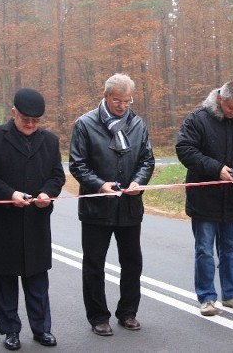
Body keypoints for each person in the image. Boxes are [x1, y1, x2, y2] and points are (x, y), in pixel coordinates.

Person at [0, 88, 65, 350]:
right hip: (4, 221)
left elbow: (57, 175)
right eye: (25, 118)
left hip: (36, 220)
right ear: (13, 112)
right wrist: (10, 193)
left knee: (37, 278)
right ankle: (10, 330)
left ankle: (42, 328)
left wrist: (48, 192)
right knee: (4, 279)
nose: (30, 124)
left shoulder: (49, 140)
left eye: (36, 120)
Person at [69, 73, 154, 336]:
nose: (123, 106)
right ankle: (98, 316)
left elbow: (147, 160)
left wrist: (138, 181)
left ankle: (128, 312)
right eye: (118, 101)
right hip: (97, 207)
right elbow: (77, 164)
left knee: (132, 262)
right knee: (94, 264)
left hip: (129, 207)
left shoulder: (137, 124)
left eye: (127, 101)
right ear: (106, 96)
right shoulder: (85, 124)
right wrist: (99, 184)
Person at [176, 81, 233, 316]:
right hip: (204, 197)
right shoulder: (197, 119)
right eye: (230, 108)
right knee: (205, 249)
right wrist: (216, 169)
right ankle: (206, 297)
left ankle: (231, 294)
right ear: (220, 99)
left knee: (232, 248)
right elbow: (185, 149)